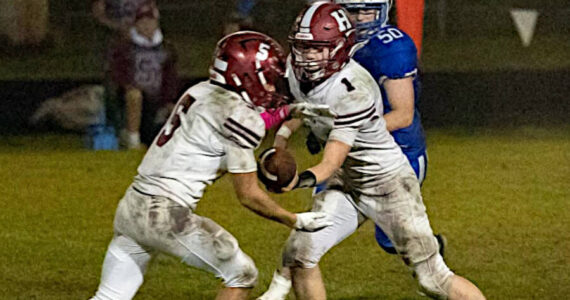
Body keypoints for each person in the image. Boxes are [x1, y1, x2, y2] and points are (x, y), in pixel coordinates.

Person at [257, 2, 486, 300]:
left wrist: (296, 179)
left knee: (433, 280)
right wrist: (282, 139)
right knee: (302, 254)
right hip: (347, 178)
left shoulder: (355, 88)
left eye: (317, 48)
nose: (309, 57)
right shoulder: (300, 68)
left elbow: (333, 159)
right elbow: (304, 106)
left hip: (387, 180)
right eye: (304, 47)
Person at [89, 31, 333, 300]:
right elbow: (248, 195)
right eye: (268, 77)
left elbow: (226, 131)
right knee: (241, 273)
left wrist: (287, 111)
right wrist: (294, 219)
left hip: (132, 206)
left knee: (109, 297)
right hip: (164, 214)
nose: (273, 86)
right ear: (248, 75)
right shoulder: (238, 116)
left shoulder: (201, 91)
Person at [105, 3, 179, 148]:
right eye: (142, 21)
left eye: (150, 21)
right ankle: (132, 138)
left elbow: (170, 78)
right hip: (130, 100)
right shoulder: (124, 47)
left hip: (156, 100)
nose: (146, 25)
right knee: (134, 95)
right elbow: (117, 75)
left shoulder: (166, 48)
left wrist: (169, 101)